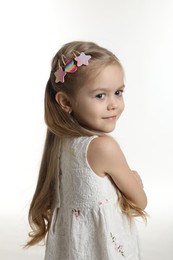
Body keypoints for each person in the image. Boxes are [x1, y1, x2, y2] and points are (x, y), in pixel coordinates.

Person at [26, 41, 147, 260]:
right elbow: (140, 201)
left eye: (118, 92)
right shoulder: (103, 147)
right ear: (65, 102)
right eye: (100, 95)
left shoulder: (61, 142)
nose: (114, 104)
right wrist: (133, 179)